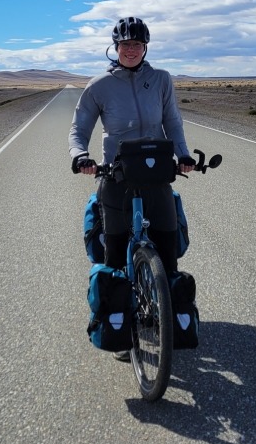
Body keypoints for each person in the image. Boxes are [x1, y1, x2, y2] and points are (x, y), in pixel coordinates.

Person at [69, 16, 196, 276]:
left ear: (145, 47)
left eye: (137, 44)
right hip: (116, 175)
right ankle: (116, 312)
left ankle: (168, 307)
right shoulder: (99, 85)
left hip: (156, 172)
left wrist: (183, 154)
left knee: (168, 250)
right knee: (114, 254)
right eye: (125, 44)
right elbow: (79, 128)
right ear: (115, 47)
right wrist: (81, 156)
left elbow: (172, 121)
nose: (131, 50)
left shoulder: (161, 79)